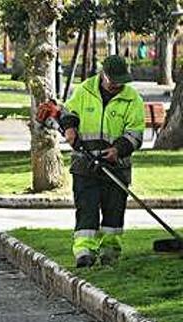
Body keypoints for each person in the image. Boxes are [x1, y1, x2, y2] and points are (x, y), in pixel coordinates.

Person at [60, 55, 145, 268]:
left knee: (114, 212)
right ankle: (84, 253)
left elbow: (135, 133)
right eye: (113, 80)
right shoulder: (84, 91)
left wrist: (118, 150)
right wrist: (69, 128)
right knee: (86, 209)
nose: (117, 85)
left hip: (116, 166)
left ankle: (110, 253)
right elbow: (68, 113)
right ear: (103, 74)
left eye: (121, 81)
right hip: (85, 164)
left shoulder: (133, 99)